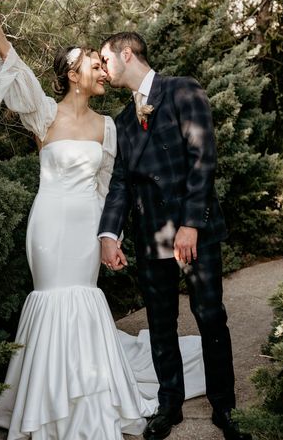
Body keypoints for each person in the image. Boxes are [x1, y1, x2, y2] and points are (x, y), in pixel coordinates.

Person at [0, 6, 206, 440]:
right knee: (49, 298)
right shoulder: (43, 114)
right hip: (47, 224)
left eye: (104, 65)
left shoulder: (110, 127)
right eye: (95, 64)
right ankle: (44, 405)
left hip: (87, 227)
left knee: (83, 298)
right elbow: (20, 75)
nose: (104, 71)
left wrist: (111, 237)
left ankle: (89, 400)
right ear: (71, 72)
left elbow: (109, 189)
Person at [99, 32, 252, 440]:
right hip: (149, 237)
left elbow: (203, 157)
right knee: (160, 323)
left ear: (126, 53)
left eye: (105, 58)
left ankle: (225, 408)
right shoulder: (122, 120)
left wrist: (190, 224)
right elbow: (119, 183)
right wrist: (109, 234)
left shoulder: (183, 90)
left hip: (193, 231)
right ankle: (169, 406)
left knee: (210, 317)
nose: (102, 67)